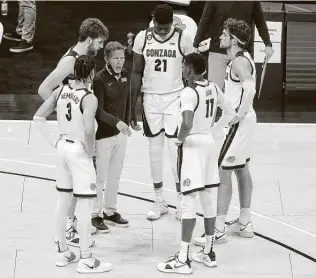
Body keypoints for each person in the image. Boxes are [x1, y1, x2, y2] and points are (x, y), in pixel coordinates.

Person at [157, 53, 235, 274]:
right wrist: (215, 131)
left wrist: (179, 140)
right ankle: (209, 253)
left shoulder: (188, 92)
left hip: (193, 146)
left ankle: (183, 258)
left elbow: (188, 122)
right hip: (209, 144)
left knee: (188, 200)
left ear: (190, 70)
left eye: (183, 66)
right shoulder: (213, 87)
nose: (182, 70)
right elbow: (230, 112)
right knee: (207, 198)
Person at [33, 55, 112, 273]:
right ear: (92, 73)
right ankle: (86, 258)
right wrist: (90, 150)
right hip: (78, 151)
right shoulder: (89, 98)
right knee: (86, 204)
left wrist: (54, 142)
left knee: (63, 201)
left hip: (62, 149)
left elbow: (38, 117)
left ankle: (62, 253)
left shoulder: (60, 91)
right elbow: (88, 129)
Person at [38, 18, 109, 246]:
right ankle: (69, 228)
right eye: (98, 42)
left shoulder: (83, 59)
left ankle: (70, 225)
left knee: (75, 187)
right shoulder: (70, 61)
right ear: (88, 39)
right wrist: (66, 112)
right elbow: (44, 88)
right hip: (76, 136)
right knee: (77, 187)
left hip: (80, 130)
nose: (100, 47)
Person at [194, 18, 257, 247]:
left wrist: (237, 115)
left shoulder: (239, 62)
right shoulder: (243, 58)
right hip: (246, 121)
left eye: (224, 34)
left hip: (240, 123)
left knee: (224, 172)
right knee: (242, 169)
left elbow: (250, 89)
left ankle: (218, 230)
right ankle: (244, 222)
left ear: (234, 40)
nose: (220, 37)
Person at [131, 3, 194, 221]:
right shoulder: (142, 38)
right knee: (154, 151)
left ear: (172, 23)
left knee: (175, 150)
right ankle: (159, 200)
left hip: (174, 98)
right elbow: (136, 72)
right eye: (160, 27)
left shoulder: (183, 38)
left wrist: (191, 101)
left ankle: (181, 200)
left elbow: (192, 70)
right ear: (153, 21)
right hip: (150, 99)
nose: (162, 31)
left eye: (166, 27)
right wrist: (132, 106)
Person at [91, 41, 132, 233]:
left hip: (121, 133)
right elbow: (97, 111)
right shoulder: (99, 79)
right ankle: (95, 214)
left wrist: (131, 118)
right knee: (100, 177)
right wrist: (117, 122)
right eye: (115, 58)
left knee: (115, 175)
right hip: (103, 135)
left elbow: (128, 99)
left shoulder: (125, 75)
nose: (119, 62)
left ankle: (110, 211)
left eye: (122, 58)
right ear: (107, 58)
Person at [193, 1, 274, 90]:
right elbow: (205, 20)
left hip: (241, 53)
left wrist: (268, 44)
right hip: (218, 51)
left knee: (243, 91)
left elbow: (260, 21)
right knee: (216, 91)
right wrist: (196, 44)